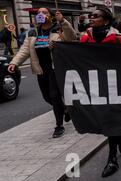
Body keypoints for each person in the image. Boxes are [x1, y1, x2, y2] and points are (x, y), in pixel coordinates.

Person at [80, 7, 121, 178]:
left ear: (106, 21)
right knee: (108, 120)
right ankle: (115, 150)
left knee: (115, 119)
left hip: (117, 85)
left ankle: (116, 148)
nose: (91, 18)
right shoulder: (85, 39)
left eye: (95, 16)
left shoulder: (118, 39)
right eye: (90, 16)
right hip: (97, 86)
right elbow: (76, 57)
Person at [8, 8, 77, 138]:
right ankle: (65, 109)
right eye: (39, 13)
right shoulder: (33, 32)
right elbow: (24, 50)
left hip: (55, 68)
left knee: (55, 95)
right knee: (47, 97)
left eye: (44, 12)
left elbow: (71, 37)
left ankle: (59, 125)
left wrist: (62, 21)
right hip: (41, 69)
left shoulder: (58, 28)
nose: (41, 14)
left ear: (51, 16)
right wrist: (14, 63)